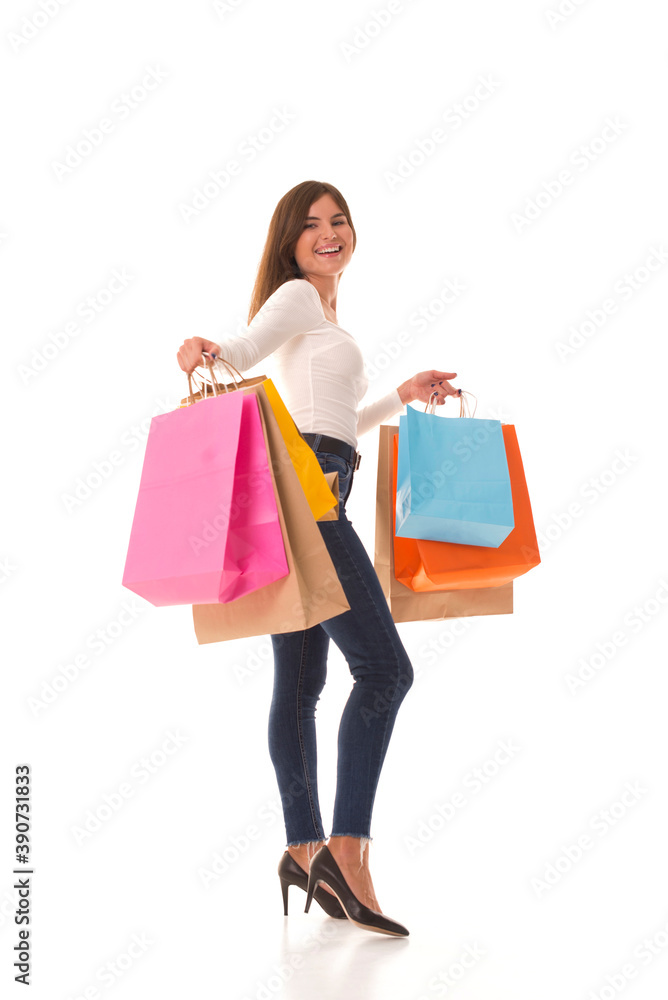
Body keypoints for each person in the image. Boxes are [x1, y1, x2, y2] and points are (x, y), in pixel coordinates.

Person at [177, 180, 459, 936]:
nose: (329, 233)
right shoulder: (299, 298)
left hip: (304, 487)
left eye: (339, 221)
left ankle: (303, 848)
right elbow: (238, 351)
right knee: (386, 671)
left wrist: (398, 393)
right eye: (311, 226)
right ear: (290, 244)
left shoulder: (325, 317)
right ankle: (349, 849)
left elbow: (332, 423)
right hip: (312, 500)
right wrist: (204, 347)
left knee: (301, 683)